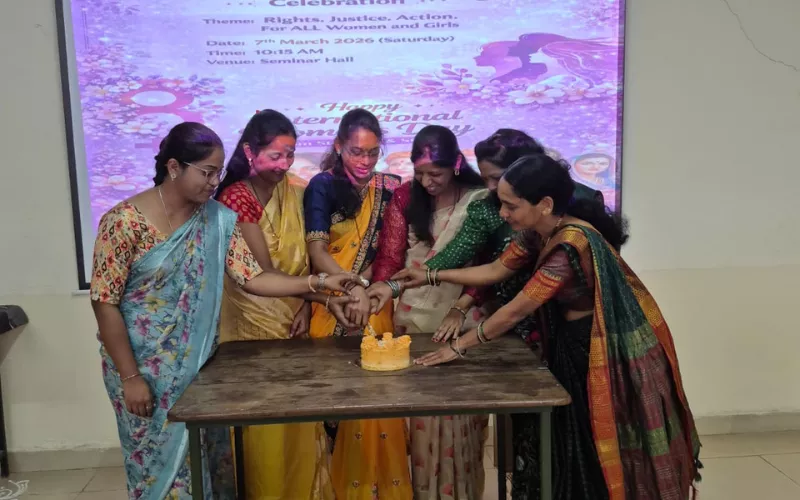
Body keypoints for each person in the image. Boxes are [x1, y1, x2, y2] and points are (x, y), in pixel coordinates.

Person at [388, 154, 701, 500]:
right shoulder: (538, 233)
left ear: (545, 204)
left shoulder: (569, 245)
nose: (502, 214)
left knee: (590, 443)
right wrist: (429, 275)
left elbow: (516, 310)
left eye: (511, 206)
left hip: (593, 352)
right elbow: (495, 271)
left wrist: (458, 346)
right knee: (566, 444)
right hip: (568, 344)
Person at [90, 122, 359, 500]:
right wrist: (130, 376)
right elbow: (105, 302)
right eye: (206, 172)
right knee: (157, 473)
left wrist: (318, 284)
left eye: (218, 172)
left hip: (199, 368)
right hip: (142, 370)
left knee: (209, 468)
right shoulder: (123, 222)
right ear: (173, 167)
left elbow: (254, 277)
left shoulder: (216, 219)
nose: (215, 181)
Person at [215, 110, 353, 499]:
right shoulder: (236, 198)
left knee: (299, 423)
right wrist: (322, 294)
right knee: (268, 434)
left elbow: (301, 264)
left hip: (294, 316)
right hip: (254, 327)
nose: (284, 164)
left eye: (290, 154)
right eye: (275, 155)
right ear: (249, 151)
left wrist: (307, 306)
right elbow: (263, 275)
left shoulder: (294, 190)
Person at [367, 125, 489, 500]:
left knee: (463, 423)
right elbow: (391, 256)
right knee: (421, 423)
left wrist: (462, 304)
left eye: (435, 173)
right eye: (420, 173)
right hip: (413, 320)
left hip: (463, 319)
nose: (426, 181)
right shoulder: (406, 195)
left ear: (456, 164)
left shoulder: (481, 200)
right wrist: (379, 290)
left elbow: (490, 265)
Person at [302, 109, 410, 499]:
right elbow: (317, 252)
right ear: (338, 146)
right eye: (356, 152)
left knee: (379, 396)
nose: (365, 161)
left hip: (375, 302)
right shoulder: (321, 186)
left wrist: (365, 287)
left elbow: (392, 253)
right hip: (332, 301)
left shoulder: (390, 188)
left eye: (373, 152)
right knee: (334, 401)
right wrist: (352, 288)